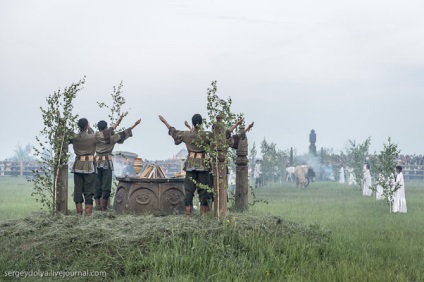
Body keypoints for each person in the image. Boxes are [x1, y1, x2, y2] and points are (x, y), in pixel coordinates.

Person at [159, 114, 242, 215]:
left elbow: (174, 133)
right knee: (204, 192)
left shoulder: (187, 134)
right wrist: (236, 125)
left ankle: (187, 215)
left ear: (193, 123)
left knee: (189, 191)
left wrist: (165, 122)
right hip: (203, 165)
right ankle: (204, 215)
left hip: (190, 166)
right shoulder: (207, 135)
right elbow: (221, 136)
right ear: (201, 123)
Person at [94, 115, 141, 211]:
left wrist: (119, 120)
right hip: (107, 162)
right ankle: (104, 207)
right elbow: (123, 133)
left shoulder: (95, 136)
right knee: (106, 185)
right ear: (106, 128)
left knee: (96, 184)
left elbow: (111, 129)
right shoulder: (112, 138)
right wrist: (134, 125)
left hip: (96, 163)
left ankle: (97, 206)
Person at [69, 118, 98, 216]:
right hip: (89, 167)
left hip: (77, 166)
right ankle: (88, 215)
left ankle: (78, 214)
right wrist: (89, 128)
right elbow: (94, 135)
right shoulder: (92, 137)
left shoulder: (74, 137)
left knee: (78, 190)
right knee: (89, 191)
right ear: (87, 125)